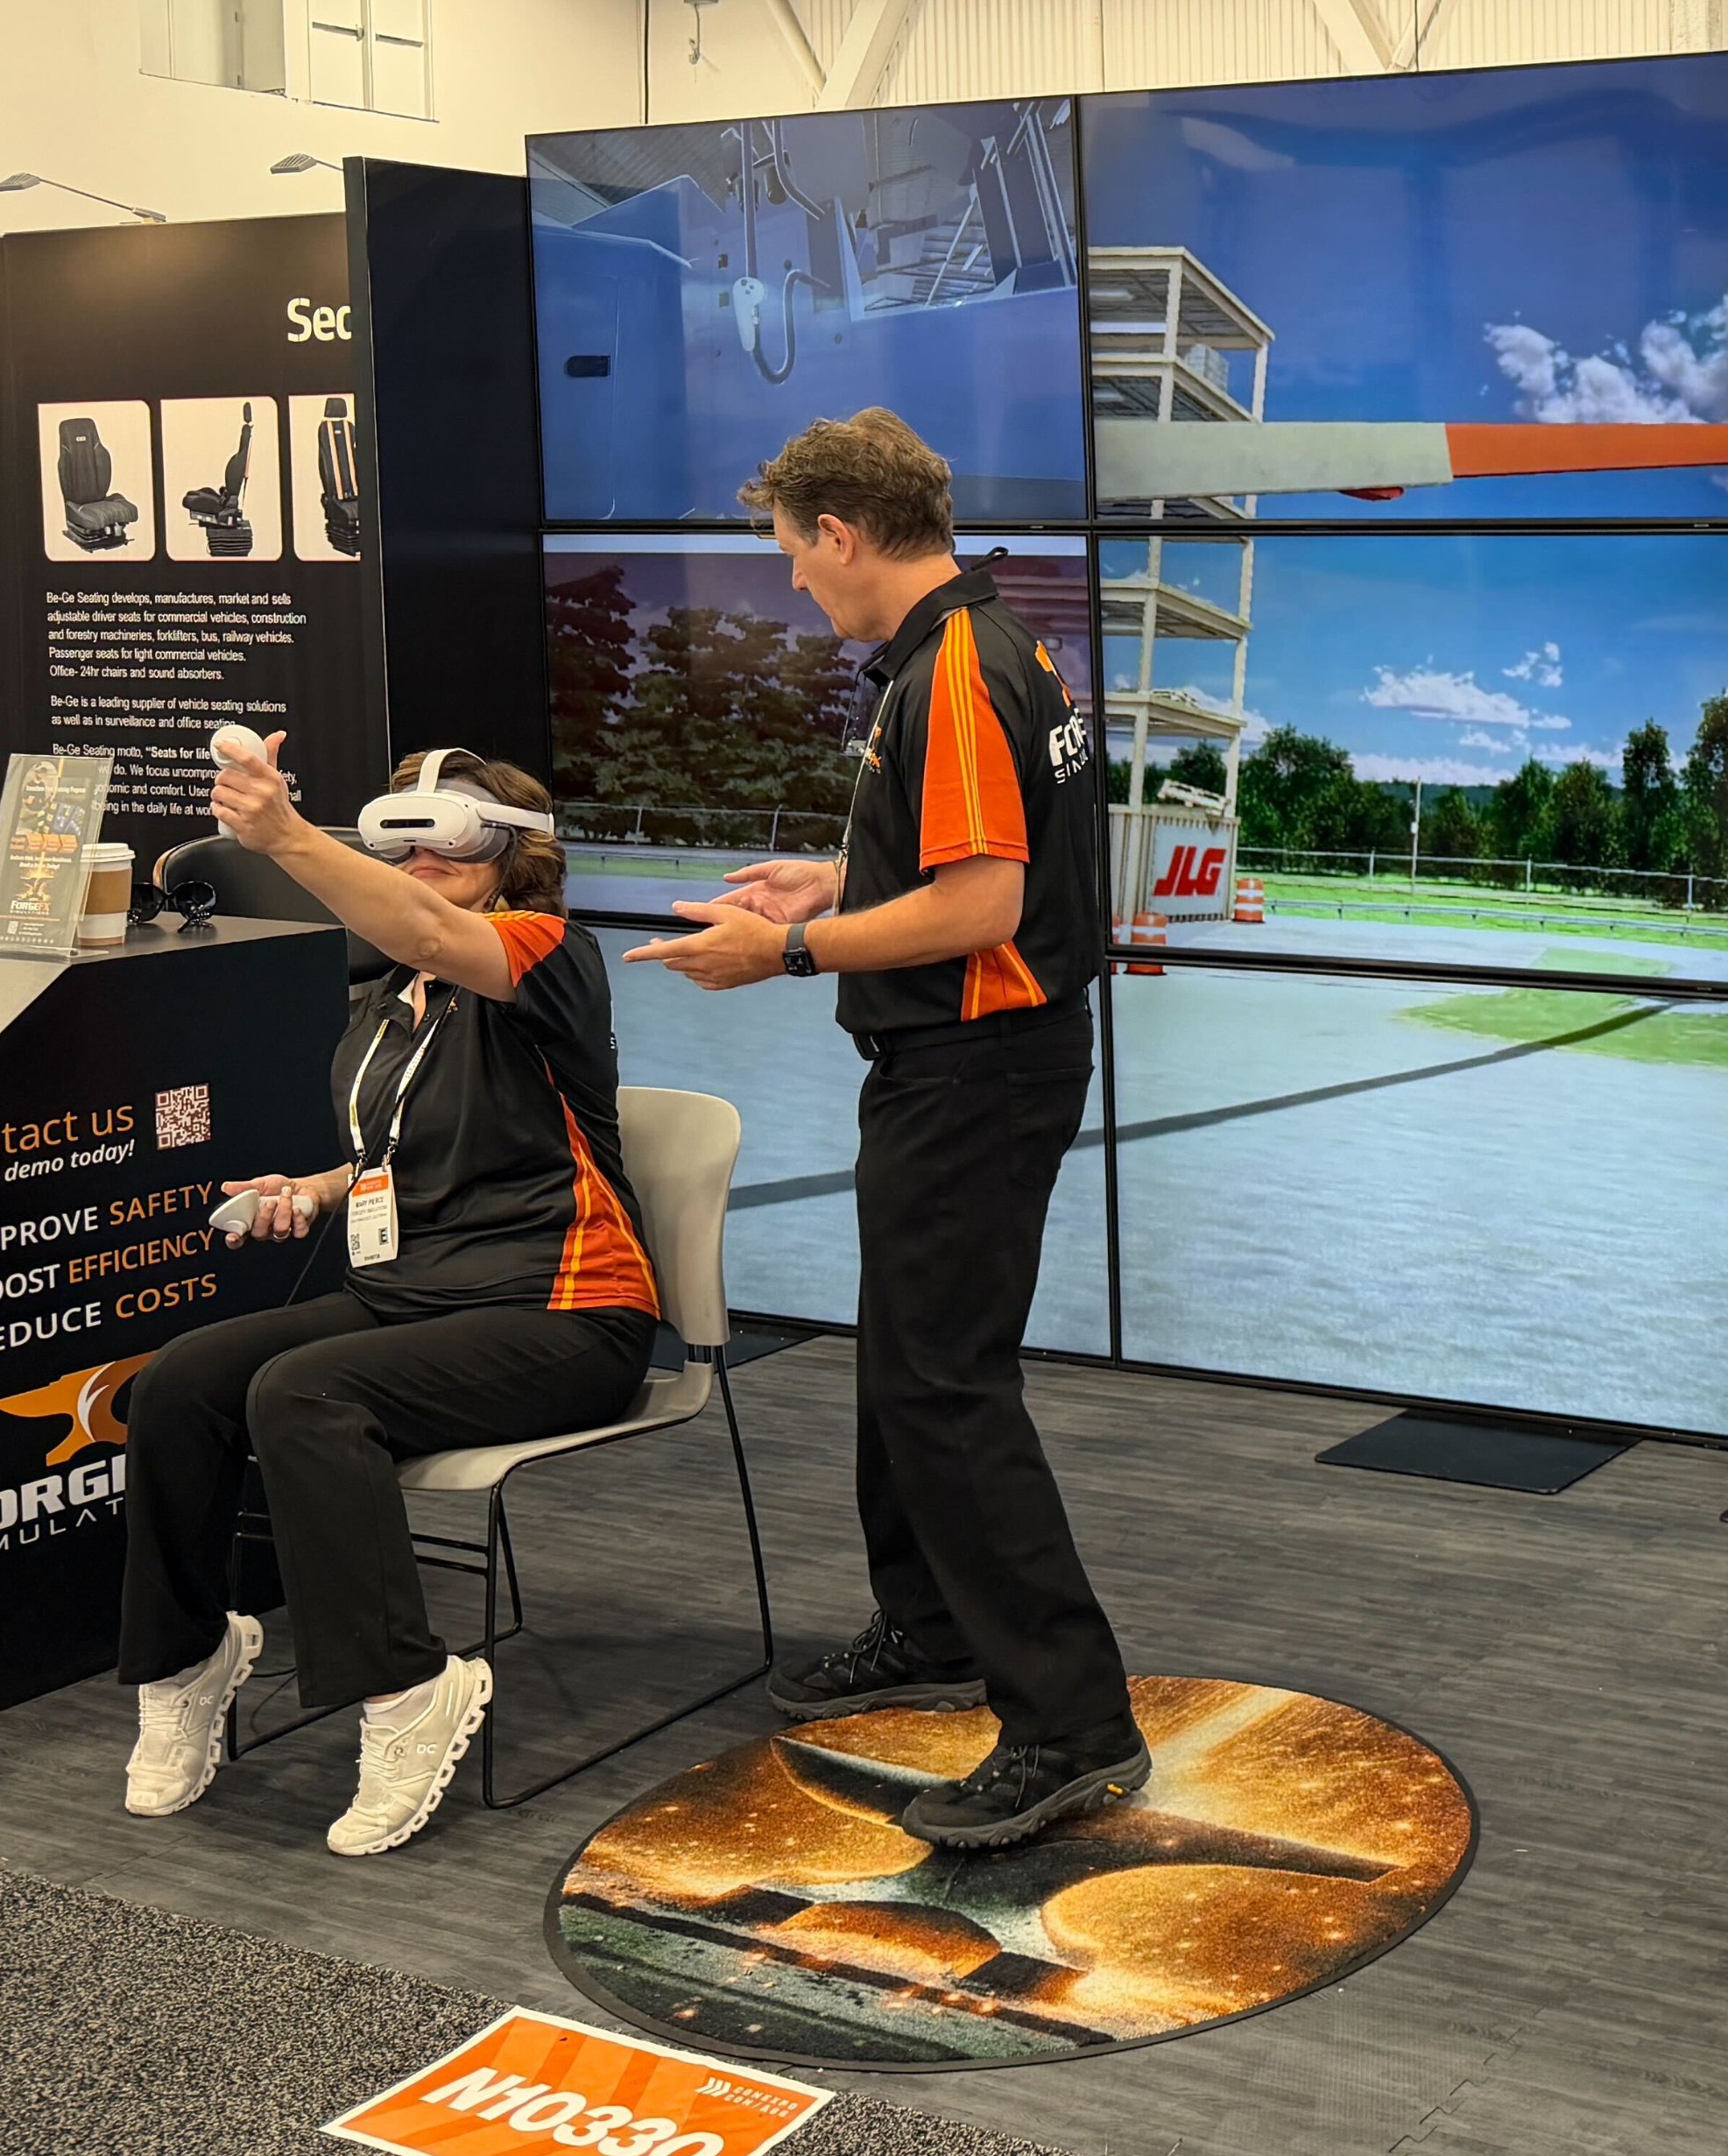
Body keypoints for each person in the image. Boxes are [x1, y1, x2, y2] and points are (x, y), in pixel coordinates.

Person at [626, 406, 1145, 1852]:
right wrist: (839, 873)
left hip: (977, 1067)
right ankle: (927, 1625)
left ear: (844, 536)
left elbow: (984, 905)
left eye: (798, 556)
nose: (797, 580)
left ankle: (1070, 1720)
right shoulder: (980, 645)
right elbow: (974, 858)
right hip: (959, 1060)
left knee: (944, 1389)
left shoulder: (960, 670)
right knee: (904, 1367)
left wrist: (781, 954)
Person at [121, 745, 659, 1857]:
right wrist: (315, 1188)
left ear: (513, 849)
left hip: (565, 1309)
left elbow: (430, 932)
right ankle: (185, 1657)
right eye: (399, 839)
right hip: (415, 1295)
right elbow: (397, 1148)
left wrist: (280, 835)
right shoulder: (383, 998)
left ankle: (406, 1685)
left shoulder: (546, 952)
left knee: (305, 1393)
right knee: (181, 1383)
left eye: (444, 835)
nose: (418, 857)